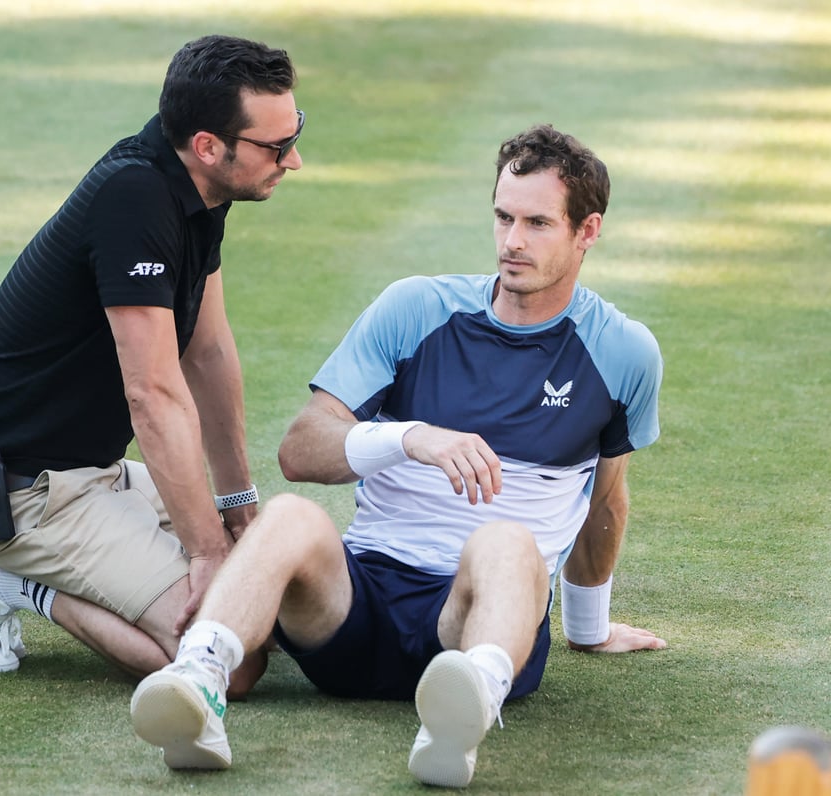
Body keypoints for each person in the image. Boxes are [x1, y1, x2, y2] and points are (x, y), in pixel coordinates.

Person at [129, 124, 668, 787]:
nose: (512, 242)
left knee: (506, 540)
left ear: (588, 232)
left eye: (537, 223)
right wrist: (409, 437)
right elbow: (301, 449)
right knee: (293, 515)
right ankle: (198, 680)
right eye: (502, 217)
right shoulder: (417, 308)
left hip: (476, 620)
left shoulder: (623, 353)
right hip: (358, 609)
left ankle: (463, 711)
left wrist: (589, 626)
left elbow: (605, 498)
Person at [0, 34, 304, 696]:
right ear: (210, 146)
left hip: (91, 477)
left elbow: (207, 355)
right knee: (233, 666)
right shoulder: (135, 200)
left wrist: (238, 507)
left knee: (266, 598)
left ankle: (31, 569)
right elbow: (153, 394)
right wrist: (208, 552)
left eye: (295, 134)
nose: (295, 160)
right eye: (276, 147)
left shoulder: (200, 190)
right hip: (25, 497)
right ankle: (0, 578)